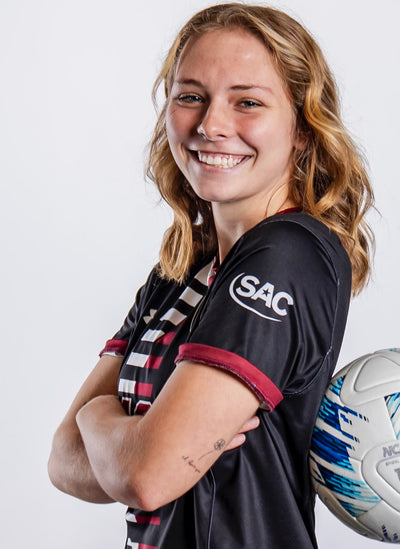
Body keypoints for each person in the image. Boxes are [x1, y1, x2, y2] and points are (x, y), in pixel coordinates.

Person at [48, 3, 374, 548]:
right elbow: (64, 460)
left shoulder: (287, 254)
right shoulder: (176, 274)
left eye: (248, 102)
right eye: (190, 97)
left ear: (302, 128)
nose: (211, 125)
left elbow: (146, 476)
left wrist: (100, 416)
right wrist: (130, 440)